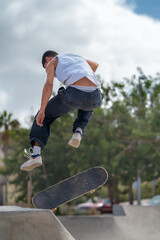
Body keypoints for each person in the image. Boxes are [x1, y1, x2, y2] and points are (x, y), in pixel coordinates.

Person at [21, 51, 103, 171]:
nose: (52, 74)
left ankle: (36, 155)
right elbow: (95, 65)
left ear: (48, 59)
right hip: (96, 96)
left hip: (73, 95)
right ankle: (78, 131)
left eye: (46, 68)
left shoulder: (52, 62)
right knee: (88, 104)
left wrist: (42, 110)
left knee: (43, 117)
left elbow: (49, 84)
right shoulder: (76, 58)